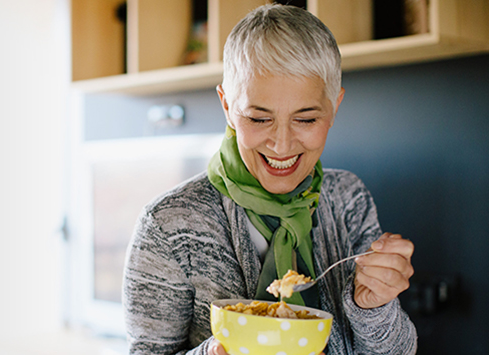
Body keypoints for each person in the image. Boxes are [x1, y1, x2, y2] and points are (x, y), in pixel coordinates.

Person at [122, 4, 417, 355]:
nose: (281, 144)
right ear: (227, 106)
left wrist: (374, 307)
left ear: (334, 106)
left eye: (306, 119)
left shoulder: (347, 198)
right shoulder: (168, 225)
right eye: (259, 119)